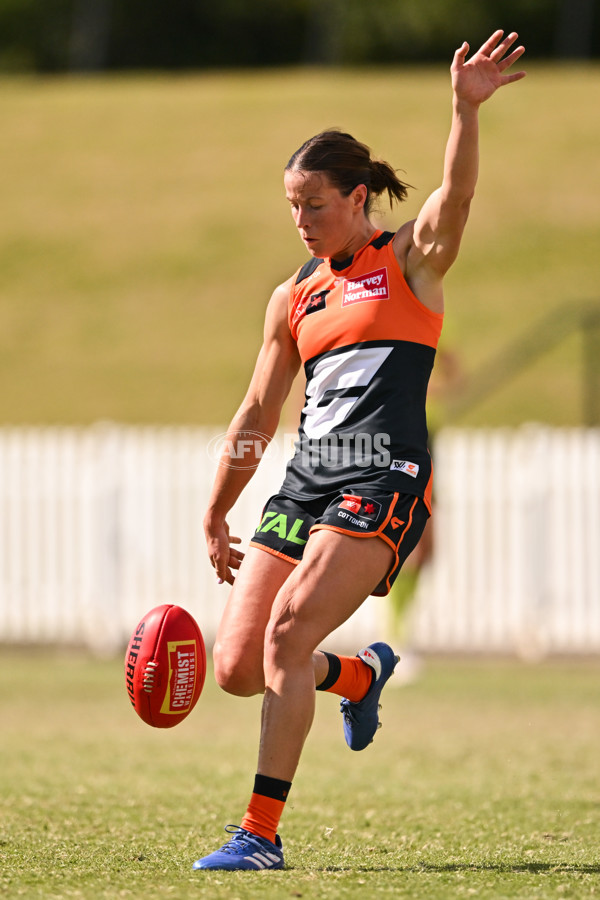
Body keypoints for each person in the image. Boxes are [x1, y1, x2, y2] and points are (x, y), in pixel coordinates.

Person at [195, 30, 526, 871]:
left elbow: (455, 196)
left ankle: (259, 836)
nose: (301, 222)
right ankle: (359, 677)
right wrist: (216, 508)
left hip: (384, 473)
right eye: (291, 207)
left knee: (287, 639)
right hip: (308, 478)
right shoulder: (294, 296)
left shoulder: (408, 261)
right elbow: (257, 410)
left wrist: (464, 109)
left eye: (315, 204)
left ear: (357, 199)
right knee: (238, 666)